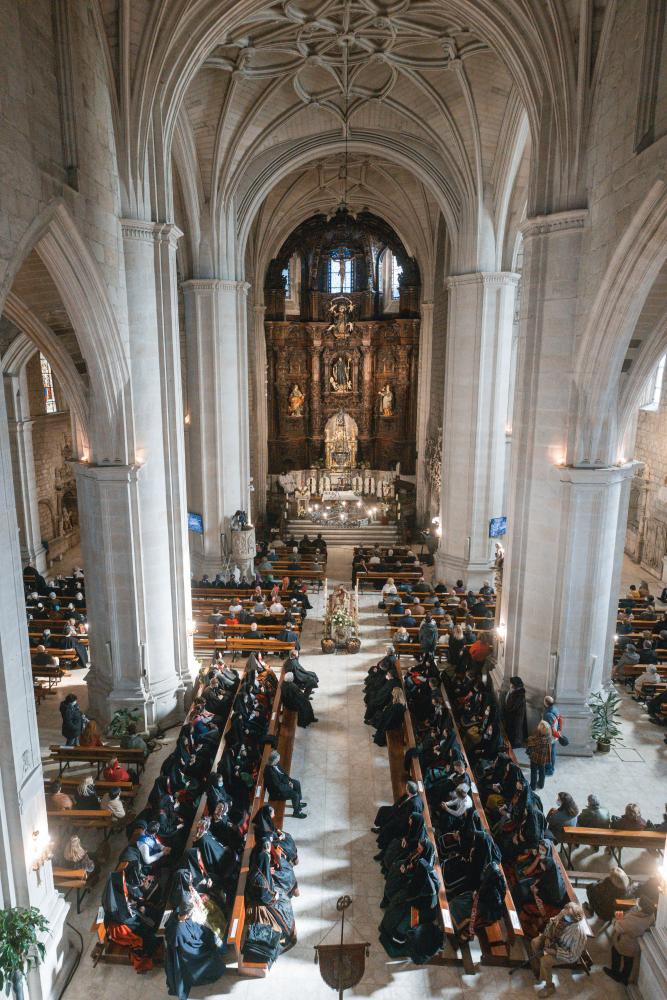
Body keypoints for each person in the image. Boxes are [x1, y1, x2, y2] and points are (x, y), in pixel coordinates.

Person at [164, 900, 226, 1000]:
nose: (191, 914)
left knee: (210, 936)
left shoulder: (177, 915)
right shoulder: (178, 931)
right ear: (186, 914)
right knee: (210, 953)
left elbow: (194, 927)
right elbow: (189, 948)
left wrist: (205, 933)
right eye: (190, 913)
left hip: (189, 945)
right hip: (188, 955)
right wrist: (203, 942)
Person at [530, 901, 588, 996]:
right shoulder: (563, 914)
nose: (564, 916)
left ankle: (549, 987)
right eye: (564, 912)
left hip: (563, 951)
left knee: (545, 961)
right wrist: (547, 937)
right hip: (552, 939)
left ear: (574, 920)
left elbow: (572, 956)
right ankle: (542, 971)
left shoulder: (579, 934)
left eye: (568, 916)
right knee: (535, 942)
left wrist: (555, 952)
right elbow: (552, 922)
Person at [604, 896, 656, 985]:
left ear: (641, 908)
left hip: (625, 942)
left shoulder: (633, 921)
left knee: (615, 952)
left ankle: (615, 973)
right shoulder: (651, 914)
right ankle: (625, 978)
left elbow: (618, 928)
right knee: (629, 960)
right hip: (636, 943)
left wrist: (616, 919)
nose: (636, 902)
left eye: (638, 903)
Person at [264, 750, 307, 817]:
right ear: (274, 760)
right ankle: (296, 813)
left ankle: (298, 803)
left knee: (296, 783)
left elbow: (283, 774)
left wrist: (289, 781)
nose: (279, 760)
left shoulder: (276, 764)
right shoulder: (270, 772)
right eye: (278, 759)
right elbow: (278, 786)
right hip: (276, 793)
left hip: (282, 784)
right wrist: (289, 786)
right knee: (295, 795)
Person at [526, 720, 552, 791]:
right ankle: (541, 784)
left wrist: (532, 736)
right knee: (542, 771)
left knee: (533, 772)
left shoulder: (536, 739)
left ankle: (533, 786)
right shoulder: (549, 737)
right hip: (543, 758)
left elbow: (529, 741)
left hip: (535, 757)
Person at [503, 676, 528, 747]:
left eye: (511, 683)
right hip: (513, 716)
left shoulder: (519, 695)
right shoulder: (515, 692)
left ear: (515, 684)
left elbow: (512, 707)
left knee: (516, 731)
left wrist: (510, 695)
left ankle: (515, 745)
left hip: (516, 717)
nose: (510, 685)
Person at [542, 696, 563, 776]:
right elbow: (560, 719)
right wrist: (559, 731)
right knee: (552, 752)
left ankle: (549, 770)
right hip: (555, 735)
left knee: (548, 753)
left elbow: (550, 728)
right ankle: (551, 768)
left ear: (546, 703)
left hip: (549, 736)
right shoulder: (555, 709)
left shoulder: (548, 714)